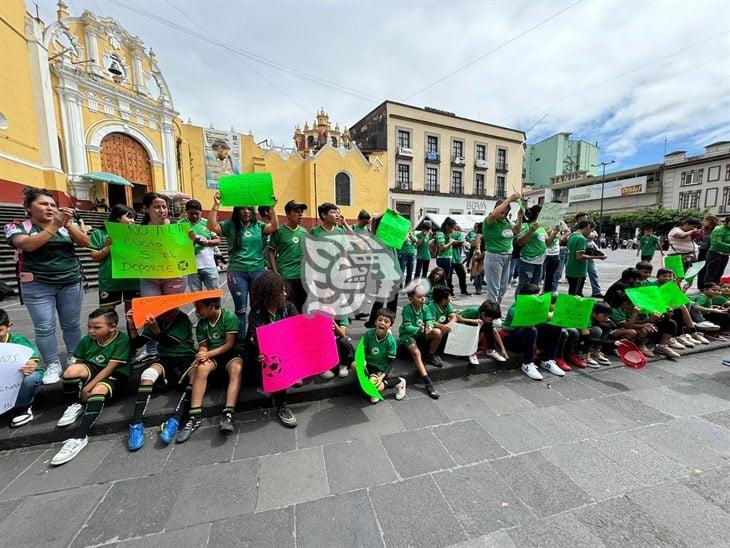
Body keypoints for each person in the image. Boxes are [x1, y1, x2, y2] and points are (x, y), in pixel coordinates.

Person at [5, 187, 90, 384]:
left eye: (53, 204)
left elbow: (86, 242)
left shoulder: (65, 225)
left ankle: (73, 357)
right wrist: (54, 226)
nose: (50, 208)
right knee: (44, 327)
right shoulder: (17, 226)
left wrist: (68, 226)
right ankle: (52, 363)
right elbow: (27, 245)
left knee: (71, 324)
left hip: (70, 281)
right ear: (28, 207)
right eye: (43, 204)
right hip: (37, 284)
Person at [51, 308, 131, 465]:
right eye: (89, 327)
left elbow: (110, 368)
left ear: (113, 327)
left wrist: (87, 388)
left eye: (97, 327)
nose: (91, 331)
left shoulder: (122, 340)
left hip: (114, 374)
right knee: (71, 371)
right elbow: (79, 364)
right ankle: (75, 404)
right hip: (93, 369)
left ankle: (79, 437)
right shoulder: (87, 340)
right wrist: (81, 384)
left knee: (98, 389)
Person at [208, 192, 279, 341]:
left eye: (249, 209)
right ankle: (241, 343)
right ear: (237, 211)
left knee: (257, 309)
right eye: (242, 209)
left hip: (257, 272)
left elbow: (274, 226)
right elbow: (212, 226)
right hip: (237, 273)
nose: (246, 211)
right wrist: (216, 205)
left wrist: (272, 208)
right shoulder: (230, 226)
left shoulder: (258, 226)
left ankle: (256, 340)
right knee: (240, 310)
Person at [126, 308, 197, 450]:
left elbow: (169, 342)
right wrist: (132, 325)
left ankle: (175, 419)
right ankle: (137, 423)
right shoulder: (155, 319)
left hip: (186, 358)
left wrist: (156, 329)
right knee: (147, 375)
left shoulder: (182, 319)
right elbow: (137, 343)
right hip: (165, 359)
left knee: (196, 377)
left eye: (170, 311)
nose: (166, 314)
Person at [175, 297, 242, 442]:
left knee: (237, 368)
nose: (197, 312)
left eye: (199, 308)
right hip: (213, 355)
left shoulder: (229, 317)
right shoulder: (201, 325)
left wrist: (208, 353)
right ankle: (194, 416)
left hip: (230, 354)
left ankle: (228, 414)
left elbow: (229, 344)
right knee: (201, 369)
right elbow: (204, 345)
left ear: (211, 306)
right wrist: (202, 352)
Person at [245, 271, 299, 427]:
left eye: (284, 290)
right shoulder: (256, 315)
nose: (284, 294)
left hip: (287, 351)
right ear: (269, 295)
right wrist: (258, 355)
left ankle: (295, 373)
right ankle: (281, 405)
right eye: (280, 291)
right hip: (266, 358)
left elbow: (297, 330)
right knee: (272, 362)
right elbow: (258, 342)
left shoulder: (289, 307)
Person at [499, 283, 564, 380]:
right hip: (513, 339)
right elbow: (524, 325)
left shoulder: (540, 307)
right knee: (530, 329)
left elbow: (551, 316)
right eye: (536, 296)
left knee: (555, 327)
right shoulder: (515, 309)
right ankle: (527, 363)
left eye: (540, 295)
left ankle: (548, 360)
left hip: (531, 337)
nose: (539, 298)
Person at [89, 205, 140, 314]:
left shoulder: (138, 234)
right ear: (117, 217)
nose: (133, 221)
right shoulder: (99, 233)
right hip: (109, 281)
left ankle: (132, 331)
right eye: (129, 217)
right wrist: (108, 248)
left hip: (132, 280)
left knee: (132, 314)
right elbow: (95, 257)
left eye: (134, 219)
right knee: (106, 314)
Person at [0, 309, 42, 428]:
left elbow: (32, 361)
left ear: (9, 327)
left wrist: (30, 365)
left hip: (20, 376)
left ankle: (22, 407)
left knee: (31, 378)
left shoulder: (18, 341)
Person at [398, 284, 441, 399]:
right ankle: (427, 381)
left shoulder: (425, 307)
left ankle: (431, 355)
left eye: (424, 296)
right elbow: (407, 326)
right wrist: (419, 329)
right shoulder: (407, 309)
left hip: (422, 334)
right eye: (419, 297)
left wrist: (429, 327)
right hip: (408, 335)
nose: (422, 299)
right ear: (411, 298)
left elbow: (429, 320)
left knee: (437, 332)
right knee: (416, 352)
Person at [269, 200, 309, 312]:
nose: (301, 214)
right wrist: (275, 271)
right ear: (287, 214)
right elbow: (271, 251)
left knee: (303, 308)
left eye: (302, 212)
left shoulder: (304, 232)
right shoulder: (279, 231)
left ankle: (302, 329)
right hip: (285, 276)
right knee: (288, 308)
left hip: (301, 277)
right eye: (297, 211)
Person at [483, 193, 523, 305]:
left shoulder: (507, 222)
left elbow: (516, 231)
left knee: (502, 288)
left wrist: (519, 217)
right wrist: (509, 199)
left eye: (506, 213)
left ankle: (496, 309)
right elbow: (494, 214)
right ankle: (491, 313)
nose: (503, 215)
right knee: (494, 289)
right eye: (502, 212)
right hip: (494, 256)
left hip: (507, 257)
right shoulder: (490, 221)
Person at [427, 286, 482, 365]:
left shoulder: (447, 305)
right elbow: (431, 322)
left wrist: (448, 325)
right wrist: (443, 326)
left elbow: (454, 317)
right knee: (438, 331)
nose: (450, 298)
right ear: (443, 300)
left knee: (459, 325)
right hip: (433, 333)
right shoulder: (430, 307)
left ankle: (457, 351)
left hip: (445, 330)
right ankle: (431, 354)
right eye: (449, 296)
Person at [362, 308, 406, 403]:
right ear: (375, 321)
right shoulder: (368, 334)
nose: (382, 323)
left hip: (379, 368)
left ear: (390, 326)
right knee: (354, 365)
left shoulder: (391, 341)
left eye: (386, 321)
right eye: (380, 320)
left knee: (371, 388)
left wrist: (382, 376)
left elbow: (391, 362)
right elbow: (363, 350)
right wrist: (363, 360)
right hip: (368, 365)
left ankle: (399, 382)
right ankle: (369, 383)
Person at [516, 205, 556, 293]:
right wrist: (530, 231)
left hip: (540, 262)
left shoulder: (542, 227)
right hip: (528, 261)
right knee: (524, 286)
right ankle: (519, 305)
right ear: (538, 214)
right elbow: (519, 242)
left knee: (535, 287)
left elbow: (547, 244)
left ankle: (531, 305)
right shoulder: (526, 225)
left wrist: (555, 233)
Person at [183, 199, 220, 291]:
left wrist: (206, 242)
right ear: (186, 211)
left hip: (209, 265)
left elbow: (217, 240)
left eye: (197, 213)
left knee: (214, 294)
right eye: (191, 213)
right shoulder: (179, 225)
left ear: (201, 212)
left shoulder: (208, 224)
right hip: (191, 268)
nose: (194, 216)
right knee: (196, 297)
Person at [565, 220, 606, 296]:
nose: (590, 233)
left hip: (570, 269)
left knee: (572, 292)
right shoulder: (581, 239)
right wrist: (598, 257)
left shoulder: (572, 236)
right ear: (588, 227)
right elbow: (579, 256)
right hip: (578, 271)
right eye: (591, 230)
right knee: (575, 296)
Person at [704, 216, 730, 285]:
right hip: (715, 253)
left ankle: (716, 289)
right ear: (727, 222)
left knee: (720, 272)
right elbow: (716, 243)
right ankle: (708, 288)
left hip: (725, 254)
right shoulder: (719, 229)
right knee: (712, 272)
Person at [434, 217, 457, 286]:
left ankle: (443, 294)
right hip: (444, 259)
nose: (453, 230)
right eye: (452, 228)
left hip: (447, 258)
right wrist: (451, 243)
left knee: (445, 278)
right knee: (444, 278)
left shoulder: (447, 234)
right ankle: (442, 294)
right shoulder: (441, 234)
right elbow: (441, 248)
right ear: (447, 226)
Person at [449, 226, 469, 295]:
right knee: (459, 275)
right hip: (453, 258)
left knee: (460, 275)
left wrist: (452, 242)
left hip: (456, 259)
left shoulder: (457, 234)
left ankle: (461, 290)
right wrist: (455, 242)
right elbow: (459, 242)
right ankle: (460, 291)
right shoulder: (455, 234)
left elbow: (460, 242)